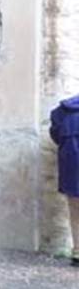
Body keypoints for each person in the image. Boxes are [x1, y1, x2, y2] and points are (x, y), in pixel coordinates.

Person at [50, 94, 79, 265]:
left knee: (75, 210)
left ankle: (77, 252)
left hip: (71, 168)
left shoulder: (61, 111)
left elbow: (55, 135)